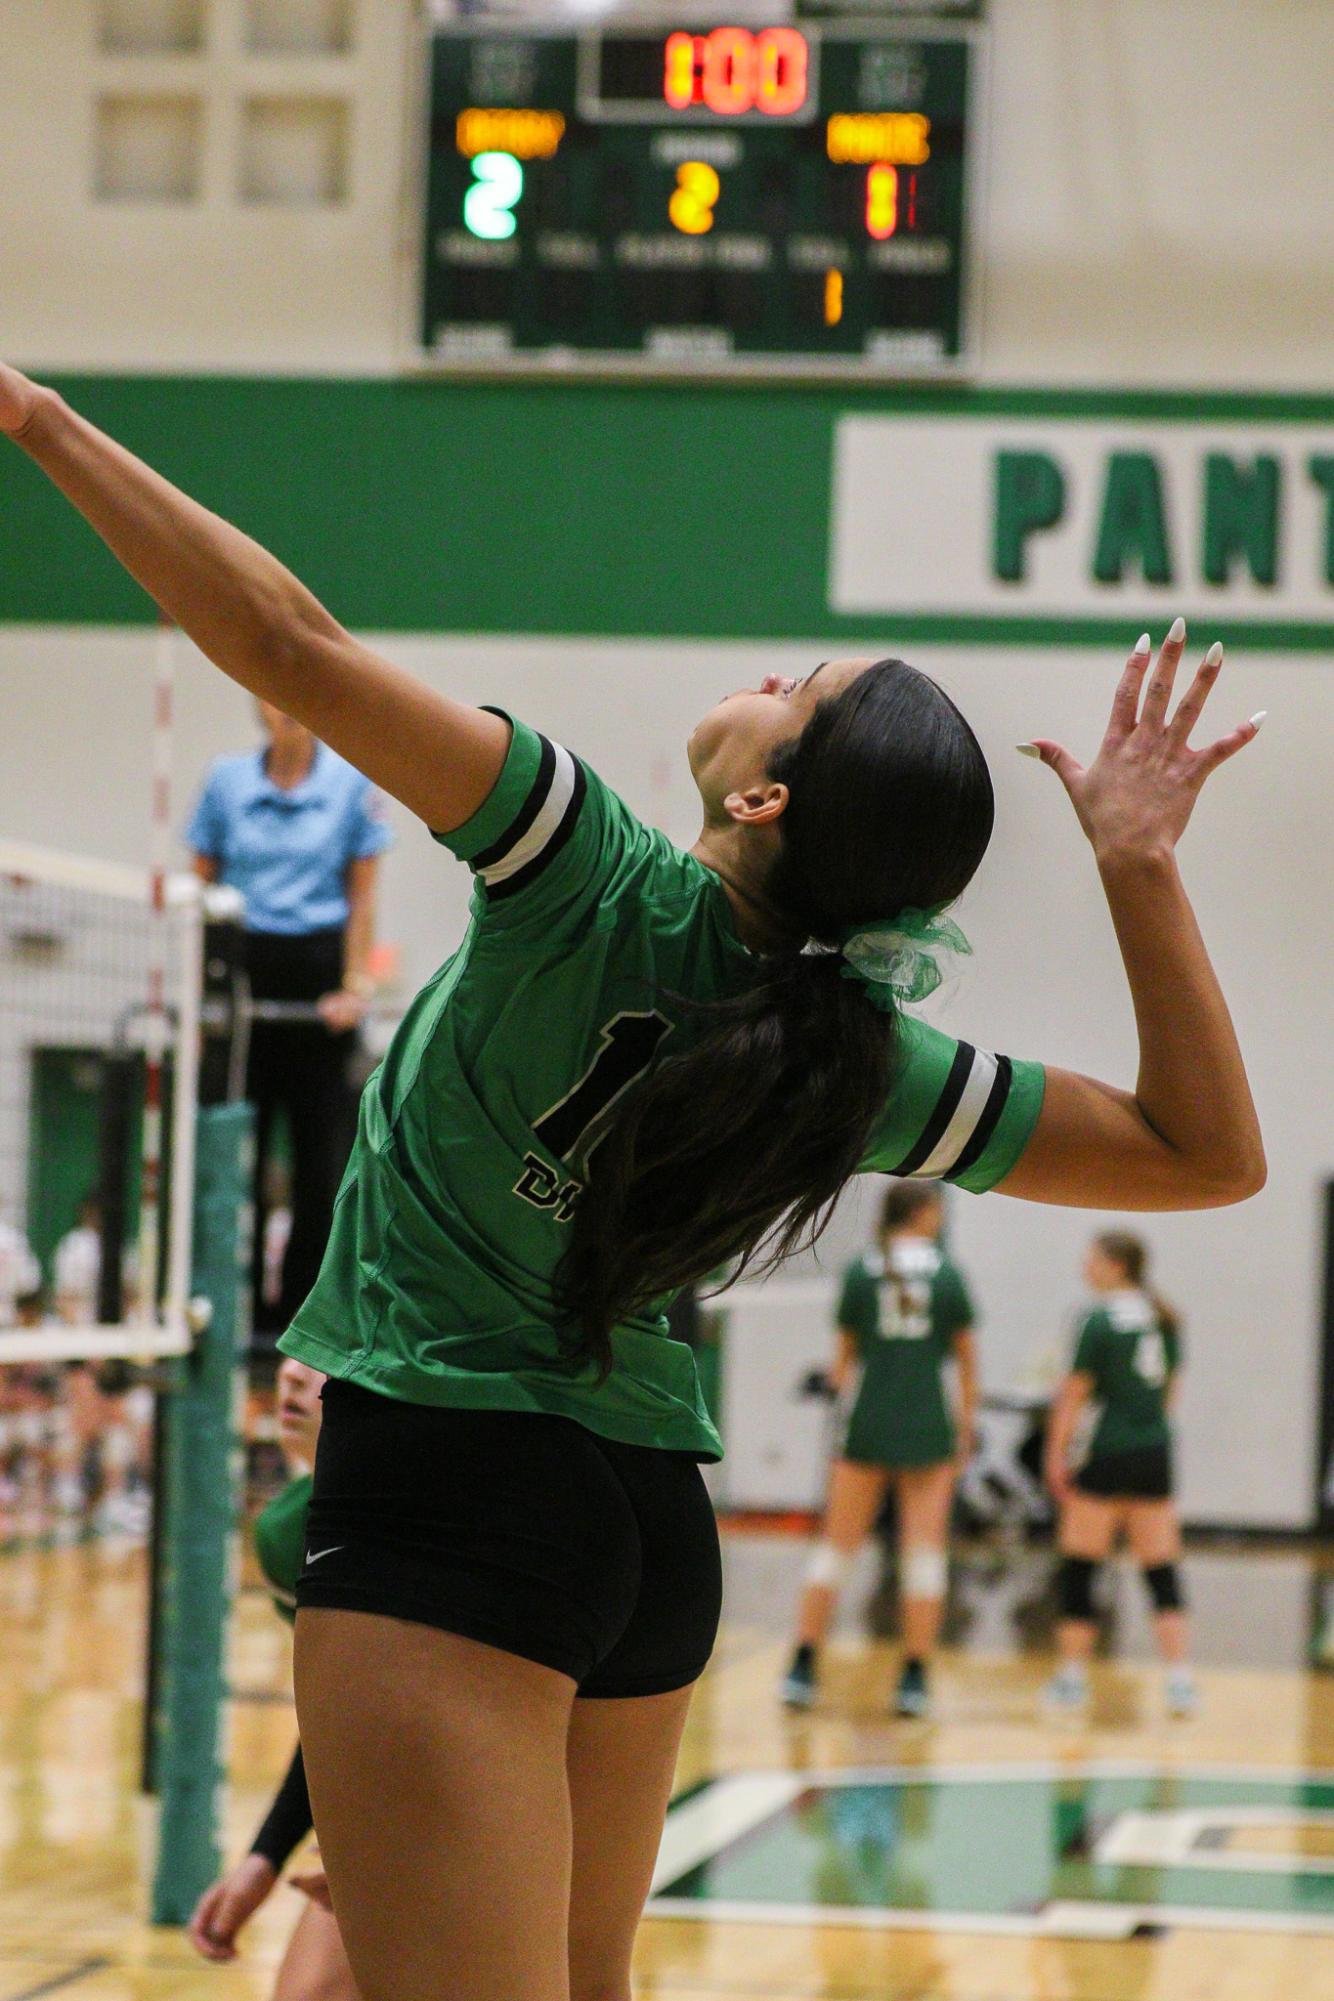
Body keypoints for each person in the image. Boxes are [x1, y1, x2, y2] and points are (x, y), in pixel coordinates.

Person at [1, 361, 1266, 2001]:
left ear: (759, 796)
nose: (759, 672)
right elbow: (1205, 1158)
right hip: (645, 1526)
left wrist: (38, 420)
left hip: (450, 1491)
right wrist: (1136, 867)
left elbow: (287, 651)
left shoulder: (576, 863)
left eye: (792, 685)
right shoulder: (853, 1059)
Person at [188, 698, 392, 1339]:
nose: (288, 711)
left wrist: (352, 984)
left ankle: (300, 1316)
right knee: (231, 1153)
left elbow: (362, 895)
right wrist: (205, 987)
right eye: (271, 699)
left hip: (316, 973)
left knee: (319, 1162)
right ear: (255, 706)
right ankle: (230, 1306)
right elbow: (199, 887)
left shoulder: (350, 784)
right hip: (243, 963)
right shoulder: (226, 781)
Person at [190, 1357, 360, 1999]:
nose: (290, 1372)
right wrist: (265, 1857)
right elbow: (341, 1717)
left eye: (325, 1355)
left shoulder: (450, 1513)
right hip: (403, 1787)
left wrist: (382, 1842)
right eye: (293, 1348)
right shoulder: (289, 1533)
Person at [782, 1180, 977, 1718]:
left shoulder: (860, 1271)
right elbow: (965, 1359)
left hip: (866, 1425)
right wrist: (967, 1427)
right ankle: (914, 1676)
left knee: (835, 1549)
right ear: (923, 1212)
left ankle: (802, 1664)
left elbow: (842, 1365)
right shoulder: (948, 1272)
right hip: (928, 1425)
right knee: (923, 1555)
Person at [1043, 1231, 1195, 1716]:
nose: (1085, 1267)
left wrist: (1055, 1453)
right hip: (1154, 1452)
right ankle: (1179, 1680)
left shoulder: (1098, 1319)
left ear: (1116, 1264)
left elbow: (1074, 1395)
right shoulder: (1164, 1317)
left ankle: (1071, 1680)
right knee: (1160, 1567)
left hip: (1106, 1451)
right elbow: (1171, 1393)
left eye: (1091, 1259)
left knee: (1081, 1565)